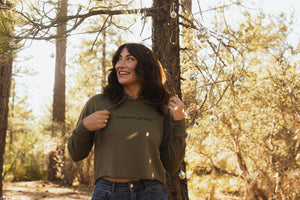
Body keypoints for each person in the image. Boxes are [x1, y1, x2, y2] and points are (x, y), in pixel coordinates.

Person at [67, 43, 187, 200]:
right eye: (119, 59)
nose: (120, 65)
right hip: (108, 193)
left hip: (151, 193)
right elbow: (75, 154)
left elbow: (172, 165)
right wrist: (84, 127)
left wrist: (179, 120)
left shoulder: (161, 107)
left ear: (145, 66)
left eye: (129, 59)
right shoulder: (97, 103)